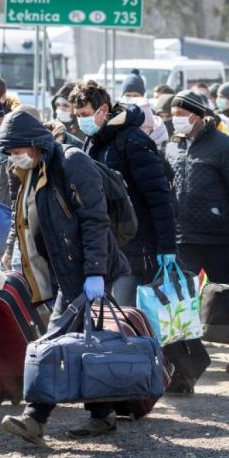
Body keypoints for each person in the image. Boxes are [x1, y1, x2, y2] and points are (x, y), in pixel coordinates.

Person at [0, 110, 129, 444]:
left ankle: (35, 417)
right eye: (10, 153)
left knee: (54, 342)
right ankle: (104, 414)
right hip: (61, 270)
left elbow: (95, 221)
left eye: (17, 150)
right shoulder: (30, 171)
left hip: (85, 271)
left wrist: (95, 273)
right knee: (85, 342)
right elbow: (24, 219)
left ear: (37, 144)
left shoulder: (73, 163)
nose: (15, 158)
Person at [72, 80, 176, 307]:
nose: (81, 120)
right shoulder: (92, 141)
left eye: (85, 113)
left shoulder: (133, 141)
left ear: (103, 110)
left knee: (124, 315)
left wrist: (167, 246)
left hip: (136, 246)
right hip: (106, 244)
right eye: (78, 114)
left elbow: (158, 197)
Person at [165, 90, 229, 321]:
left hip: (219, 238)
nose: (175, 118)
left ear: (196, 115)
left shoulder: (225, 147)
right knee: (182, 299)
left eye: (181, 113)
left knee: (227, 295)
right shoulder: (172, 147)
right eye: (173, 113)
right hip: (184, 237)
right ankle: (189, 349)